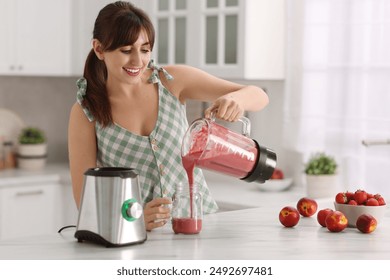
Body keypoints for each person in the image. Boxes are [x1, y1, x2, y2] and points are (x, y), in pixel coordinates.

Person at [68, 1, 269, 231]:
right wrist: (134, 218)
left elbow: (259, 95)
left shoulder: (171, 81)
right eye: (126, 51)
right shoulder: (86, 112)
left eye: (145, 50)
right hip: (137, 238)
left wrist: (237, 100)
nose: (138, 61)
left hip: (201, 227)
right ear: (99, 49)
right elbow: (85, 201)